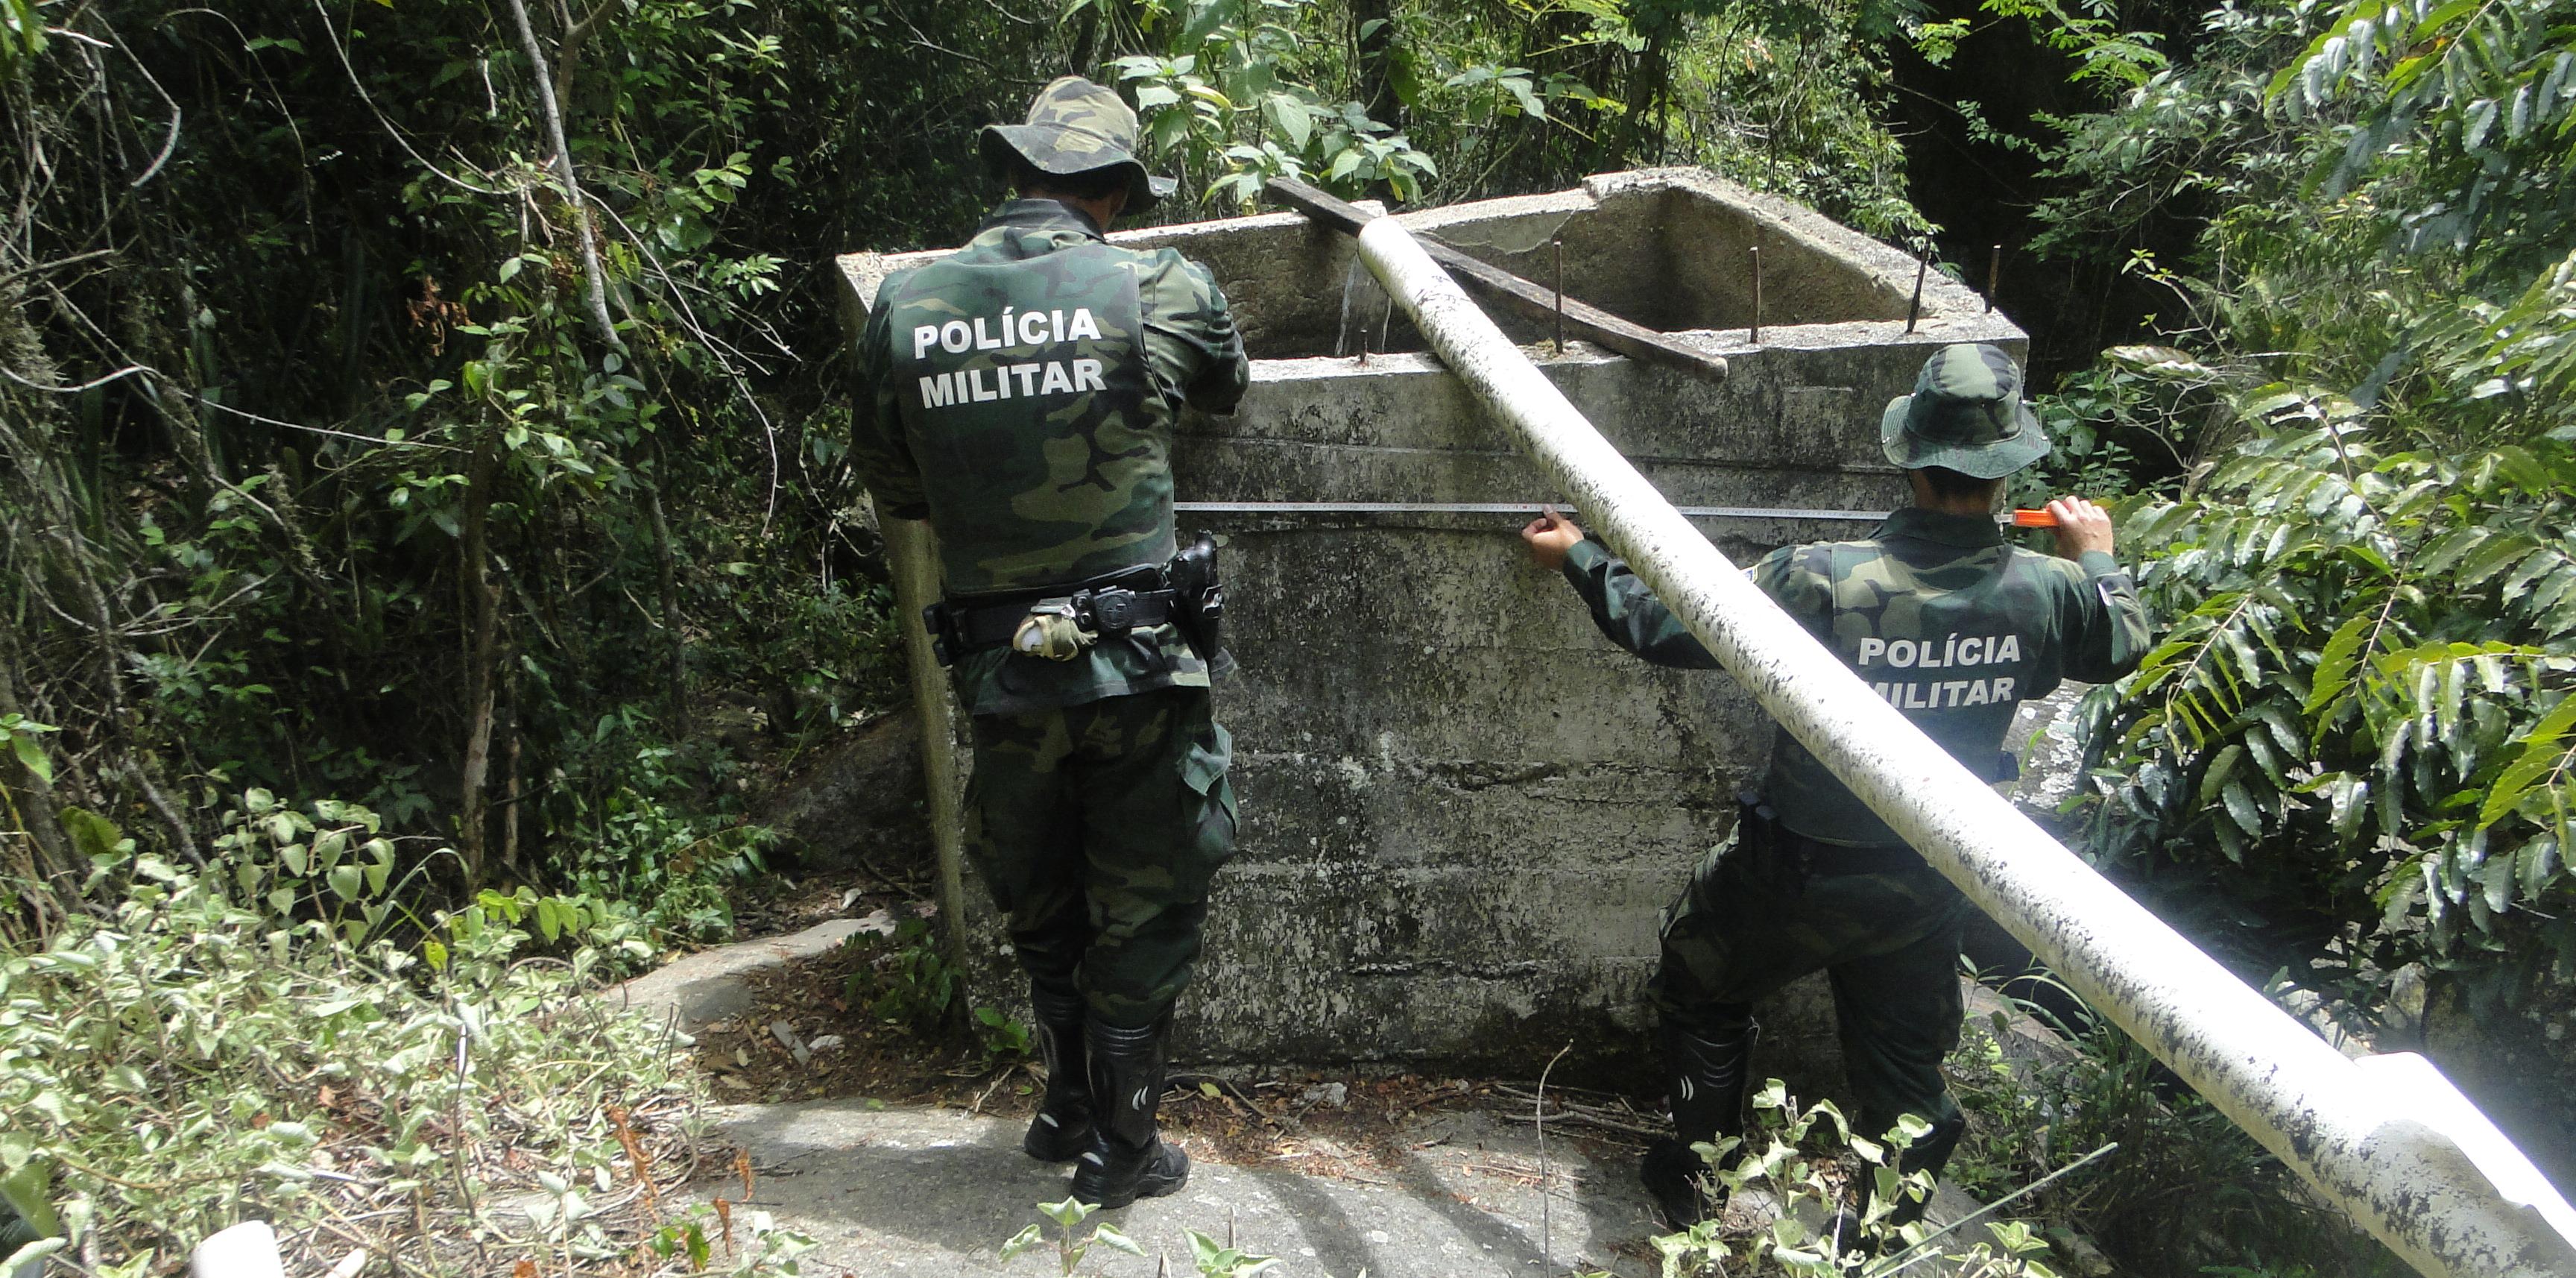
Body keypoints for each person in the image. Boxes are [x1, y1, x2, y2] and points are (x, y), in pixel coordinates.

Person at [1519, 342, 2150, 1232]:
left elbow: (1663, 624)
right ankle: (1878, 1240)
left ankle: (1702, 1177)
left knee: (1700, 977)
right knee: (1907, 1074)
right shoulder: (2047, 590)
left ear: (1910, 458)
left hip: (1795, 871)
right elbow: (2123, 642)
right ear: (2007, 470)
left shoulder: (1820, 575)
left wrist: (1580, 555)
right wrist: (2097, 556)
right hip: (1932, 878)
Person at [847, 76, 1249, 1208]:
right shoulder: (1157, 284)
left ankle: (1066, 1101)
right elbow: (1225, 387)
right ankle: (1122, 1144)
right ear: (1113, 190)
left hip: (1001, 667)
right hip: (1138, 669)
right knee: (1149, 893)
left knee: (1038, 889)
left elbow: (896, 487)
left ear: (1016, 172)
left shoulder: (906, 305)